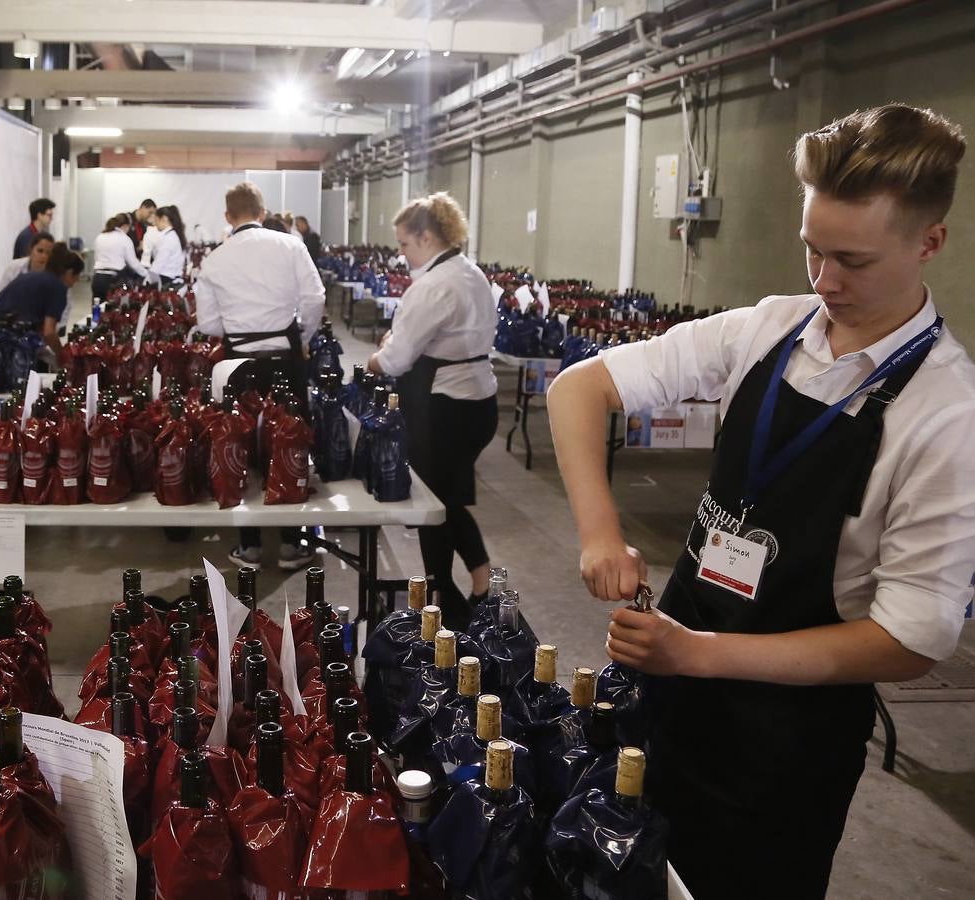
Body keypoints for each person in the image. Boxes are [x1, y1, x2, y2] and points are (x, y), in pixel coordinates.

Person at [545, 104, 975, 900]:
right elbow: (580, 386)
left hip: (786, 734)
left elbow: (911, 640)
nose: (825, 282)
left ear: (930, 241)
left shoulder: (946, 416)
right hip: (669, 681)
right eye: (812, 251)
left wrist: (699, 653)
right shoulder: (768, 331)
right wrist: (600, 534)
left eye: (851, 259)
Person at [366, 193, 498, 626]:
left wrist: (373, 361)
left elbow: (397, 357)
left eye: (404, 244)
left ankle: (443, 601)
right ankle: (477, 586)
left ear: (425, 236)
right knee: (449, 498)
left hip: (445, 408)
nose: (401, 254)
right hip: (479, 403)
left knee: (432, 505)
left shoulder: (433, 285)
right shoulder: (470, 272)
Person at [195, 181, 326, 570]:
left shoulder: (215, 259)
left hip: (239, 362)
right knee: (290, 445)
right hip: (286, 355)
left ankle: (249, 544)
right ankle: (292, 542)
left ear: (227, 217)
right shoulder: (289, 245)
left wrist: (238, 328)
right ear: (263, 212)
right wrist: (300, 337)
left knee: (240, 449)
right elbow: (315, 297)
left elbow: (207, 322)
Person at [0, 245, 84, 360]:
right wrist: (62, 356)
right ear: (69, 272)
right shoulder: (58, 287)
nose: (77, 280)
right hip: (6, 339)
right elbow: (49, 332)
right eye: (77, 276)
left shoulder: (33, 277)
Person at [92, 213, 148, 300]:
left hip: (97, 278)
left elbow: (96, 258)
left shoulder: (100, 236)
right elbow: (133, 263)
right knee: (111, 310)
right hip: (114, 280)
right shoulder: (124, 239)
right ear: (125, 226)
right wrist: (146, 274)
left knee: (97, 308)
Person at [0, 231, 55, 295]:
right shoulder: (14, 267)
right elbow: (0, 295)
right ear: (31, 250)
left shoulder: (53, 275)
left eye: (48, 253)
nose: (44, 256)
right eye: (40, 251)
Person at [148, 204, 187, 290]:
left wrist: (147, 280)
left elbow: (158, 264)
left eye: (156, 220)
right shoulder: (173, 235)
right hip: (171, 279)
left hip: (166, 281)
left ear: (164, 218)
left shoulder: (168, 238)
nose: (155, 223)